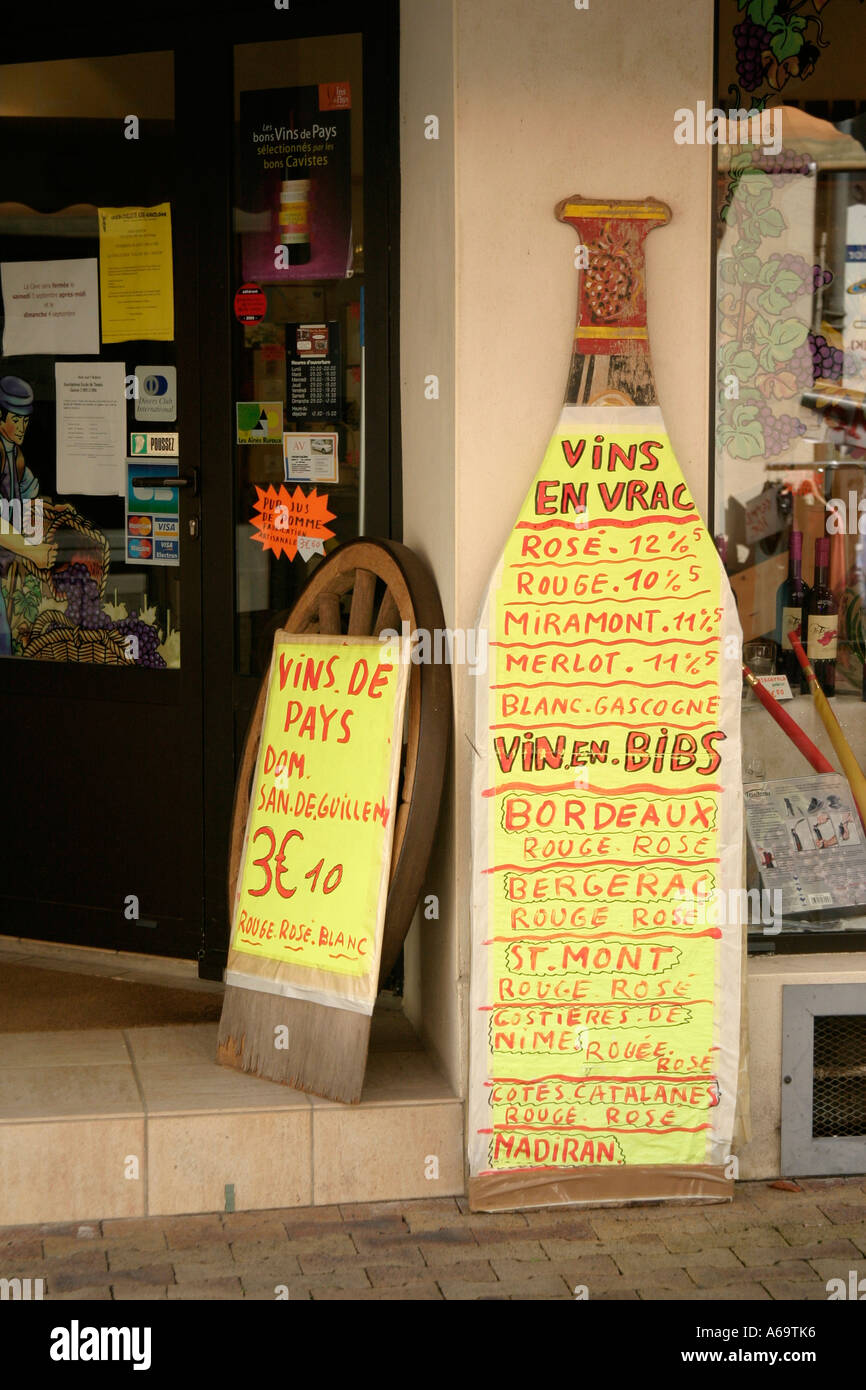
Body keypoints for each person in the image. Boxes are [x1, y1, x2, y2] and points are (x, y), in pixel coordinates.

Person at [0, 375, 56, 655]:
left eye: (25, 420)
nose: (22, 428)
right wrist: (31, 552)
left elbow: (30, 495)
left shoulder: (16, 455)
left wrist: (40, 529)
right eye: (16, 419)